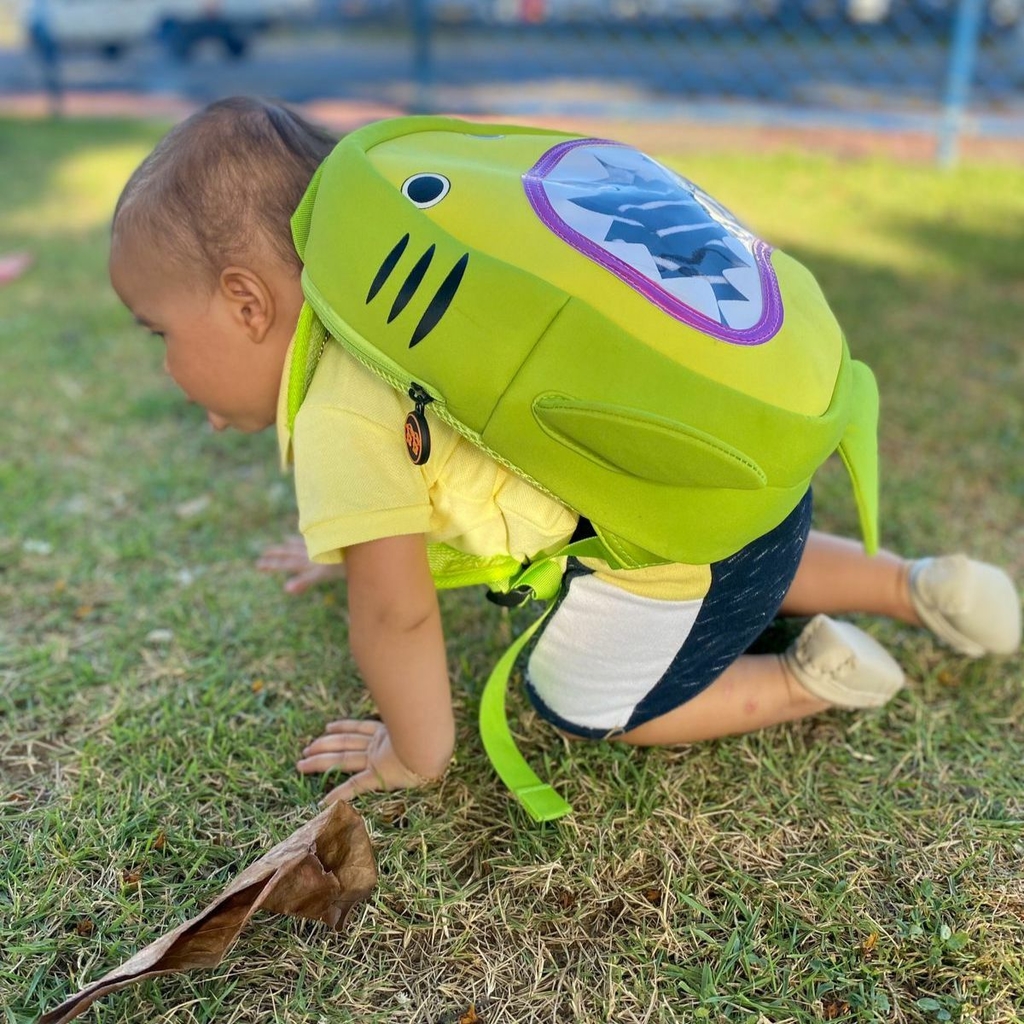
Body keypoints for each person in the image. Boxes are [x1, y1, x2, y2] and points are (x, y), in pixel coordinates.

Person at [109, 97, 1022, 806]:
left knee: (583, 698)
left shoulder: (343, 412)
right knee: (724, 561)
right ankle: (918, 582)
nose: (164, 363)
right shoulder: (416, 319)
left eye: (159, 332)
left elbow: (396, 616)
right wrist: (340, 549)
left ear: (246, 303)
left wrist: (414, 754)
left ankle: (807, 679)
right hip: (747, 488)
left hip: (681, 555)